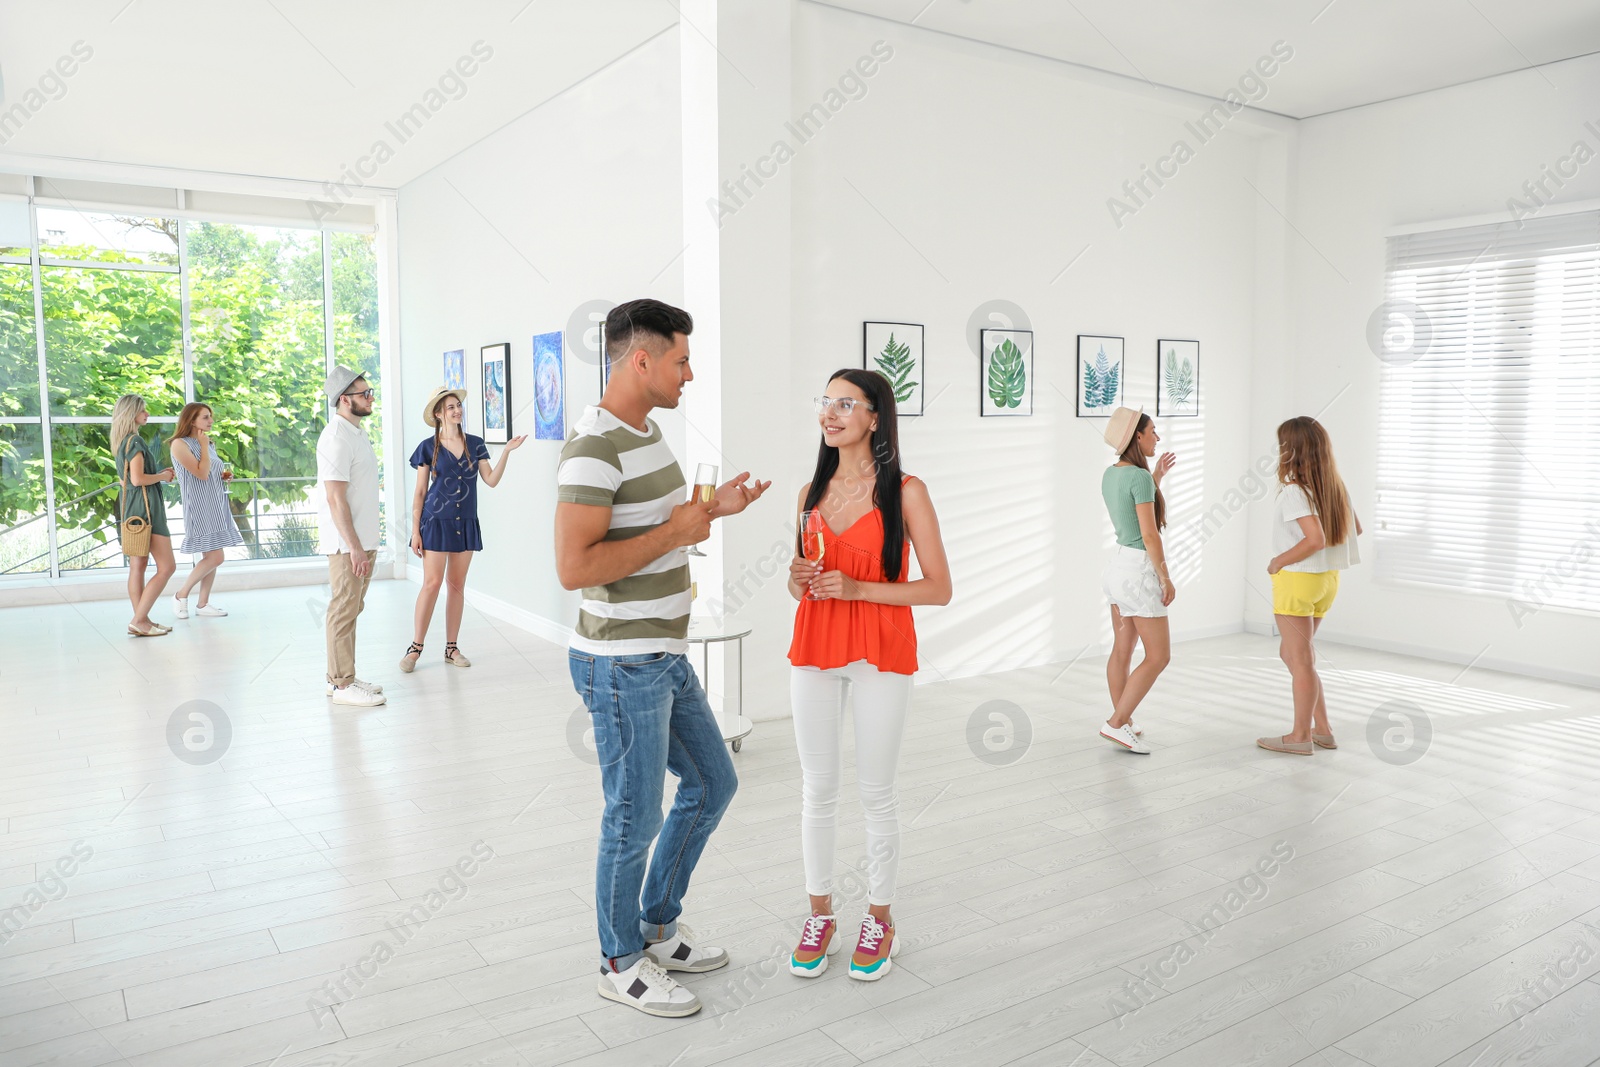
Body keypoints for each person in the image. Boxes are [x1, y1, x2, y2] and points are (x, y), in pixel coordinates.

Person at [554, 298, 769, 1018]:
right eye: (681, 359)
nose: (691, 372)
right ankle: (620, 959)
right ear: (640, 359)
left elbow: (659, 527)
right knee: (633, 815)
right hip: (621, 662)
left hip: (661, 654)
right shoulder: (594, 445)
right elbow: (574, 566)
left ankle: (656, 923)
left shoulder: (645, 432)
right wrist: (677, 527)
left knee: (714, 782)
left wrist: (710, 514)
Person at [785, 369, 951, 983]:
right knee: (817, 787)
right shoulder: (808, 491)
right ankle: (820, 914)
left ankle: (880, 918)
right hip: (816, 645)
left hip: (881, 649)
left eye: (845, 403)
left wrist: (858, 588)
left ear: (875, 417)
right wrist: (798, 580)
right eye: (825, 401)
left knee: (876, 792)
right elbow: (795, 574)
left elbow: (938, 587)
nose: (830, 413)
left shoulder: (906, 491)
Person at [1258, 416, 1362, 755]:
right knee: (1294, 654)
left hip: (1298, 581)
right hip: (1327, 582)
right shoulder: (1334, 485)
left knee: (1300, 659)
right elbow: (1355, 530)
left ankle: (1300, 736)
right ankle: (1323, 729)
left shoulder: (1294, 491)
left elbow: (1314, 539)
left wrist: (1278, 561)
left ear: (1291, 450)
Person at [403, 387, 525, 672]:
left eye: (458, 406)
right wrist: (416, 531)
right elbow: (420, 492)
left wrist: (506, 451)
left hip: (465, 521)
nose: (457, 410)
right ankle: (415, 648)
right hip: (435, 522)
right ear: (438, 414)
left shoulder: (476, 444)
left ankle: (451, 648)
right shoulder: (427, 447)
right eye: (450, 407)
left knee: (456, 586)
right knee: (432, 584)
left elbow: (491, 480)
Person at [1099, 407, 1175, 755]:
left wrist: (1156, 476)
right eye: (1153, 431)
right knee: (1158, 656)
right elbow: (1148, 533)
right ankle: (1116, 723)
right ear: (1137, 437)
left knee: (1123, 649)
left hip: (1117, 568)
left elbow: (1131, 510)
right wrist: (1165, 576)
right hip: (1140, 570)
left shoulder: (1111, 474)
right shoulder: (1139, 478)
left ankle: (1123, 720)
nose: (1157, 437)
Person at [317, 366, 386, 707]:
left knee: (352, 607)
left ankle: (341, 676)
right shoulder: (336, 437)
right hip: (348, 544)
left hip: (363, 540)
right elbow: (335, 498)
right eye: (364, 393)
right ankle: (342, 686)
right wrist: (355, 548)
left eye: (369, 391)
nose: (370, 397)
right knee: (343, 608)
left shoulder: (355, 433)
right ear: (344, 400)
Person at [168, 402, 243, 619]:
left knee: (211, 553)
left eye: (210, 416)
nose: (211, 421)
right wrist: (202, 446)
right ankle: (181, 595)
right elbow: (200, 474)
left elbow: (210, 471)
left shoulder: (208, 443)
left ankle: (203, 604)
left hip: (216, 504)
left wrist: (224, 476)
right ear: (191, 420)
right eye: (205, 417)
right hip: (199, 507)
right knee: (216, 557)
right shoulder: (179, 444)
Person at [111, 394, 177, 637]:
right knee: (167, 566)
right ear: (131, 414)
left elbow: (126, 480)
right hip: (148, 509)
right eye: (143, 411)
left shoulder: (122, 442)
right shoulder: (135, 442)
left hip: (132, 510)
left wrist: (156, 474)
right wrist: (162, 476)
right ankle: (139, 620)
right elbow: (138, 480)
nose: (147, 414)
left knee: (137, 566)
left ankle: (143, 621)